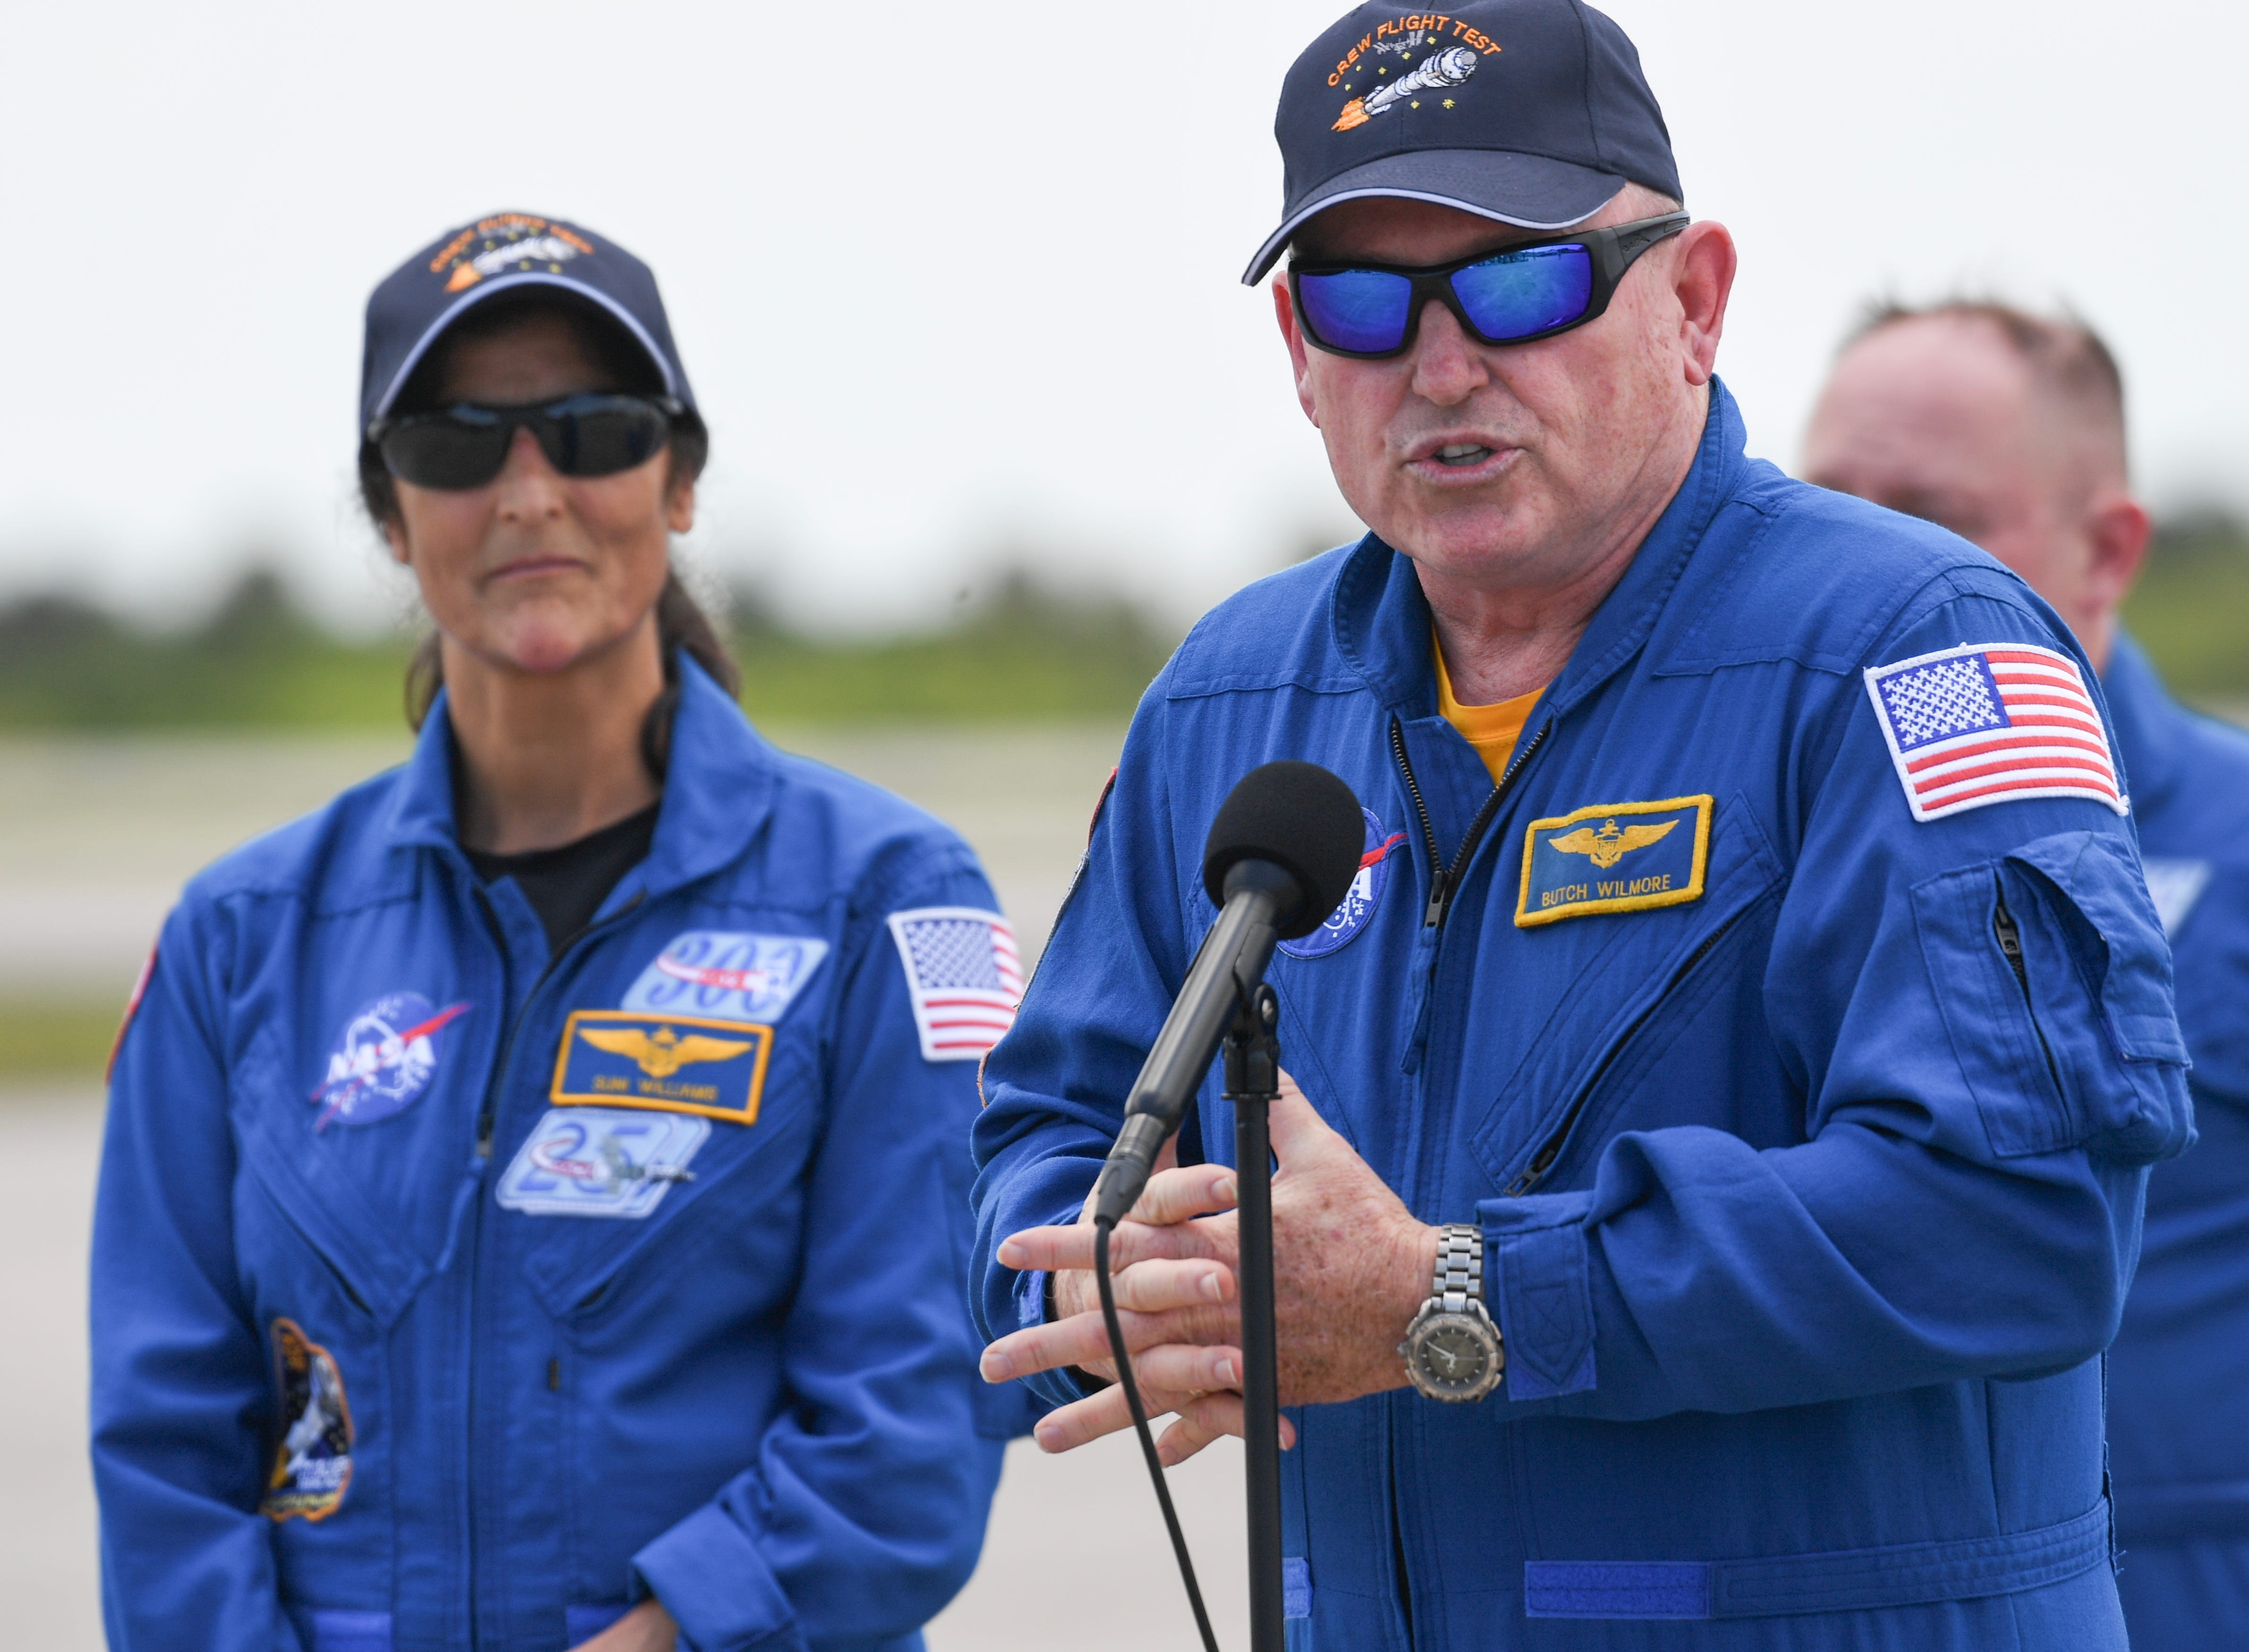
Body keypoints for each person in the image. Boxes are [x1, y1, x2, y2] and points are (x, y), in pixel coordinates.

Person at [966, 2, 2190, 1645]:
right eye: (1362, 303)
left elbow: (2018, 1223)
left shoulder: (1918, 648)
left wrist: (1449, 1301)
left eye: (1521, 282)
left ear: (1692, 304)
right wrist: (1110, 1277)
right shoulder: (1223, 703)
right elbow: (1046, 1133)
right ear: (1296, 359)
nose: (1443, 366)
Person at [89, 212, 1021, 1652]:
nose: (529, 489)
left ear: (682, 480)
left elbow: (918, 1412)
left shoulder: (891, 896)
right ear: (392, 517)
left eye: (591, 429)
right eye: (459, 442)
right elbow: (165, 1446)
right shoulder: (236, 937)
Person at [1802, 301, 2249, 1652]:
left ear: (2106, 548)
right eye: (1828, 503)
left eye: (1931, 511)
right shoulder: (1740, 850)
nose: (1870, 558)